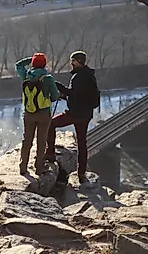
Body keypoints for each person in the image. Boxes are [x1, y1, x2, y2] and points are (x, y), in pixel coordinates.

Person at [46, 51, 100, 183]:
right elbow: (79, 96)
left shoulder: (78, 77)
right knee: (82, 143)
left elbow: (72, 93)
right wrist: (65, 96)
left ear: (80, 62)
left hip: (75, 114)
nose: (71, 63)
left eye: (73, 61)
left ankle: (50, 154)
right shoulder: (89, 76)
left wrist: (57, 86)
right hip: (86, 114)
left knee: (50, 124)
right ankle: (81, 173)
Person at [15, 53, 60, 176]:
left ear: (33, 63)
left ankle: (23, 167)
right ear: (44, 64)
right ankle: (39, 168)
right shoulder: (48, 78)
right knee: (42, 140)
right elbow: (55, 97)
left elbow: (18, 65)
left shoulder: (26, 76)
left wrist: (31, 59)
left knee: (27, 139)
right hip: (44, 114)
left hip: (29, 113)